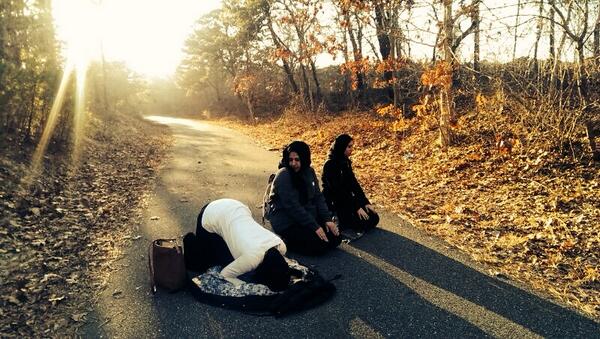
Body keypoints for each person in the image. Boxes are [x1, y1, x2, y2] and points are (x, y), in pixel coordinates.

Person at [187, 198, 291, 292]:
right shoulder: (251, 259)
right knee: (202, 264)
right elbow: (225, 274)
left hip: (236, 206)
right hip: (210, 214)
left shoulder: (281, 246)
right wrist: (244, 285)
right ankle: (189, 240)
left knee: (229, 256)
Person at [266, 141, 342, 255]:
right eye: (290, 160)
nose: (293, 163)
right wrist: (315, 226)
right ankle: (286, 242)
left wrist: (327, 219)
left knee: (336, 238)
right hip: (287, 220)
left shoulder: (309, 171)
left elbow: (318, 197)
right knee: (319, 246)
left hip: (306, 214)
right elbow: (293, 207)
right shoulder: (284, 175)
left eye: (297, 159)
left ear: (305, 158)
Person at [322, 134, 379, 237]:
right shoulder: (330, 164)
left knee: (374, 217)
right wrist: (356, 207)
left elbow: (354, 184)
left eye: (352, 146)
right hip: (335, 202)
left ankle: (349, 220)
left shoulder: (345, 162)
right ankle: (341, 221)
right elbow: (338, 191)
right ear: (341, 146)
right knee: (365, 222)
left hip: (347, 199)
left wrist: (365, 202)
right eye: (349, 146)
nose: (351, 149)